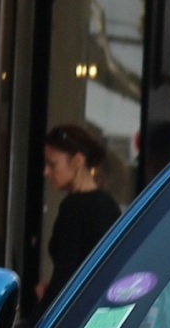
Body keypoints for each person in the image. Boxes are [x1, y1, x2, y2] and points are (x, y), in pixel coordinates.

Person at [37, 120, 122, 311]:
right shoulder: (109, 204)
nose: (46, 172)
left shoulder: (74, 207)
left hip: (76, 314)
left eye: (52, 164)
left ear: (77, 162)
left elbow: (65, 274)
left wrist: (37, 320)